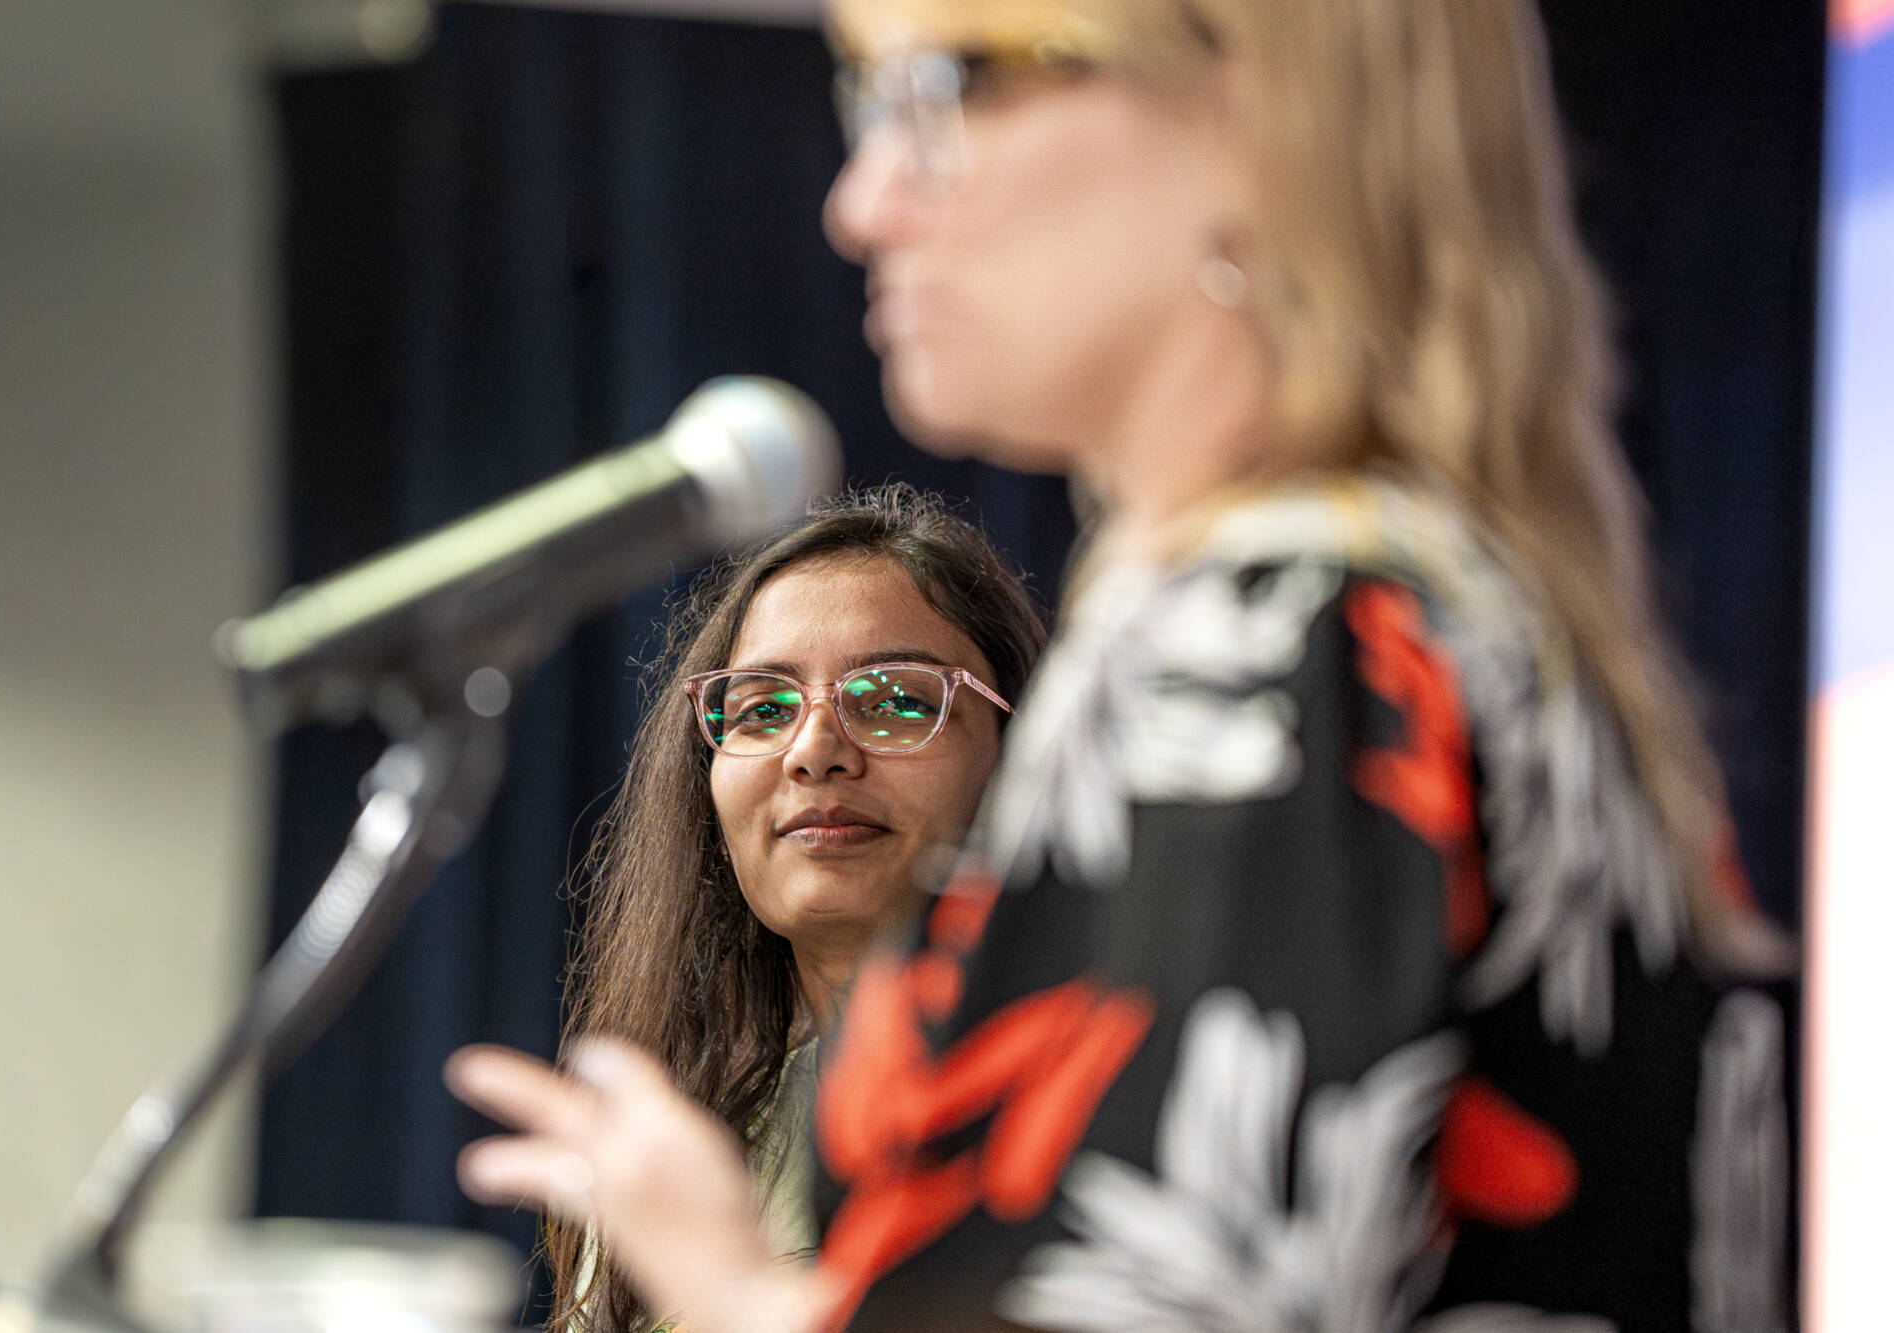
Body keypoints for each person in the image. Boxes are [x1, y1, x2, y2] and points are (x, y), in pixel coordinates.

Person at [447, 3, 1794, 1330]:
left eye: (949, 90)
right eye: (872, 107)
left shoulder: (1274, 647)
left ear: (1247, 117)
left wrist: (739, 1296)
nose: (861, 202)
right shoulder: (1426, 614)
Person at [536, 483, 1046, 1332]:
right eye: (763, 709)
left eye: (893, 700)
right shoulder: (682, 1137)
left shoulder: (1113, 1102)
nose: (814, 751)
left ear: (1023, 747)